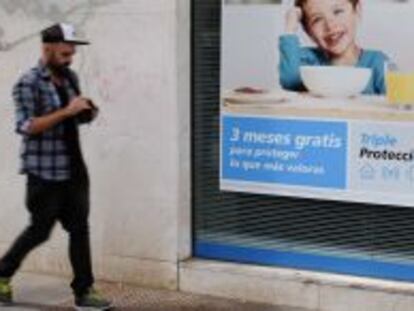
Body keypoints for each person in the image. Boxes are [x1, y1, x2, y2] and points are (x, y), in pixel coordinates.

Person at [0, 23, 112, 310]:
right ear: (47, 47)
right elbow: (26, 126)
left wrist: (87, 112)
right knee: (39, 230)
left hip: (74, 169)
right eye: (65, 51)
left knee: (79, 229)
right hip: (44, 173)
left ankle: (84, 292)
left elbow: (74, 117)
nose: (70, 56)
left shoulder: (70, 77)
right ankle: (1, 274)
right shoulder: (28, 82)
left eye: (72, 51)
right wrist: (67, 111)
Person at [279, 0, 390, 95]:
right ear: (309, 32)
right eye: (317, 19)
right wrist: (290, 29)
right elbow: (290, 82)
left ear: (357, 11)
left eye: (337, 12)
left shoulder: (378, 63)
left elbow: (397, 105)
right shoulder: (307, 60)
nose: (330, 25)